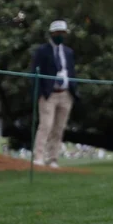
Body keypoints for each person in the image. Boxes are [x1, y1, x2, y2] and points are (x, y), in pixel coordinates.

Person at [30, 19, 78, 168]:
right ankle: (38, 156)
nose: (60, 35)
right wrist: (40, 93)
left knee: (59, 128)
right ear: (51, 33)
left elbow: (72, 71)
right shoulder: (42, 51)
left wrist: (72, 88)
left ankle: (53, 158)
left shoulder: (68, 52)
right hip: (49, 94)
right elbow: (34, 72)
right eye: (58, 33)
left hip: (65, 94)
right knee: (46, 125)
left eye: (63, 33)